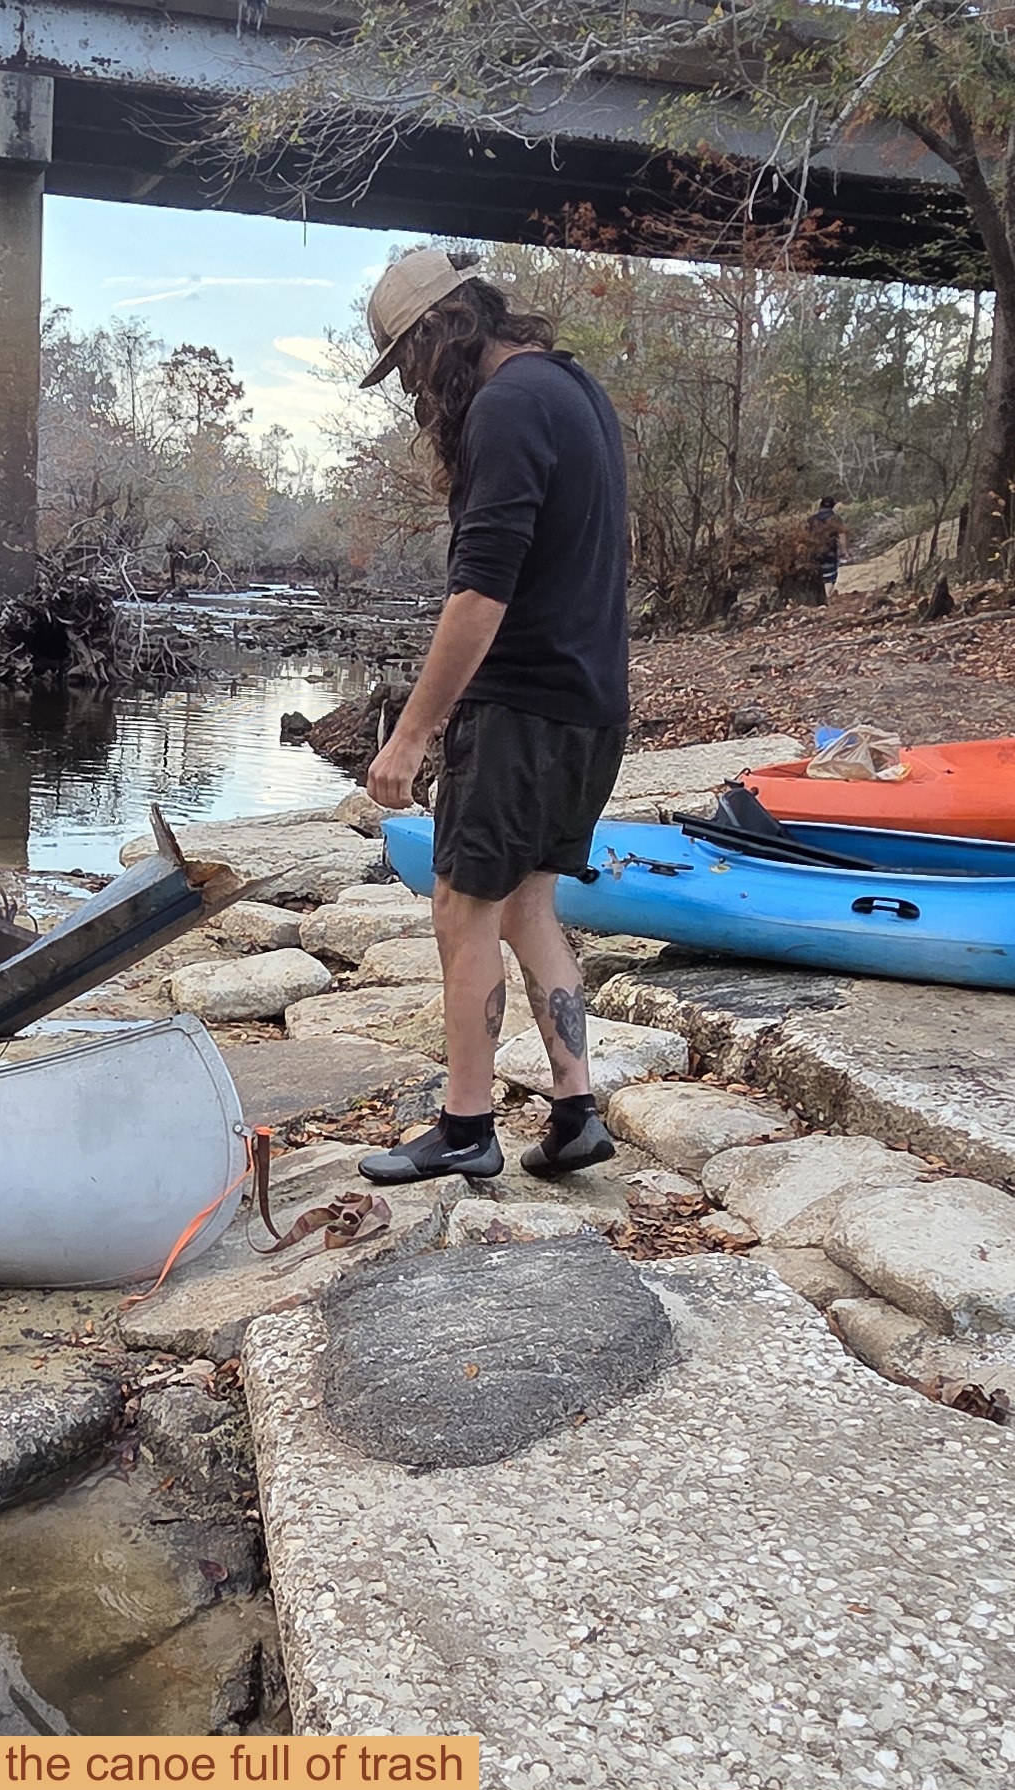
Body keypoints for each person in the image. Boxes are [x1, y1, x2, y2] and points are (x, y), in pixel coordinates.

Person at [351, 248, 630, 1183]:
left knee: (460, 907)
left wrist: (411, 732)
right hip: (591, 703)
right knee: (527, 903)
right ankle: (576, 1107)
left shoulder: (505, 409)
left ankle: (465, 1127)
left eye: (406, 367)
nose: (412, 392)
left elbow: (481, 592)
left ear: (439, 333)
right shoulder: (574, 392)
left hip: (518, 709)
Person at [804, 496, 849, 604]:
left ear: (821, 506)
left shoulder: (811, 520)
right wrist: (844, 551)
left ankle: (819, 600)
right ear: (833, 506)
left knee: (819, 574)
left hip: (813, 551)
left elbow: (803, 536)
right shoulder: (835, 519)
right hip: (829, 550)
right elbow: (841, 534)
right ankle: (827, 598)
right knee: (830, 576)